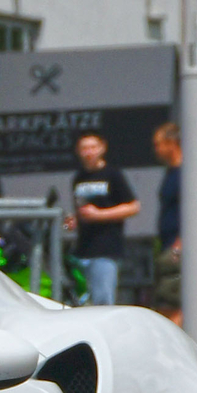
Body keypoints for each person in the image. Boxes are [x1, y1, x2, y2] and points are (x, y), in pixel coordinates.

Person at [65, 129, 139, 308]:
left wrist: (100, 215)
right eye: (84, 148)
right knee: (84, 302)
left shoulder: (113, 175)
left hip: (106, 249)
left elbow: (133, 207)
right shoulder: (78, 178)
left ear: (101, 149)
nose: (88, 152)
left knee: (103, 301)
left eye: (92, 147)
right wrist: (75, 219)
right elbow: (81, 210)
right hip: (83, 249)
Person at [151, 121, 184, 324]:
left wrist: (180, 243)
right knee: (164, 301)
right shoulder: (170, 173)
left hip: (176, 247)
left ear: (172, 143)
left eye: (159, 144)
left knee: (171, 303)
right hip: (166, 244)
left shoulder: (185, 174)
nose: (156, 149)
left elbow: (191, 210)